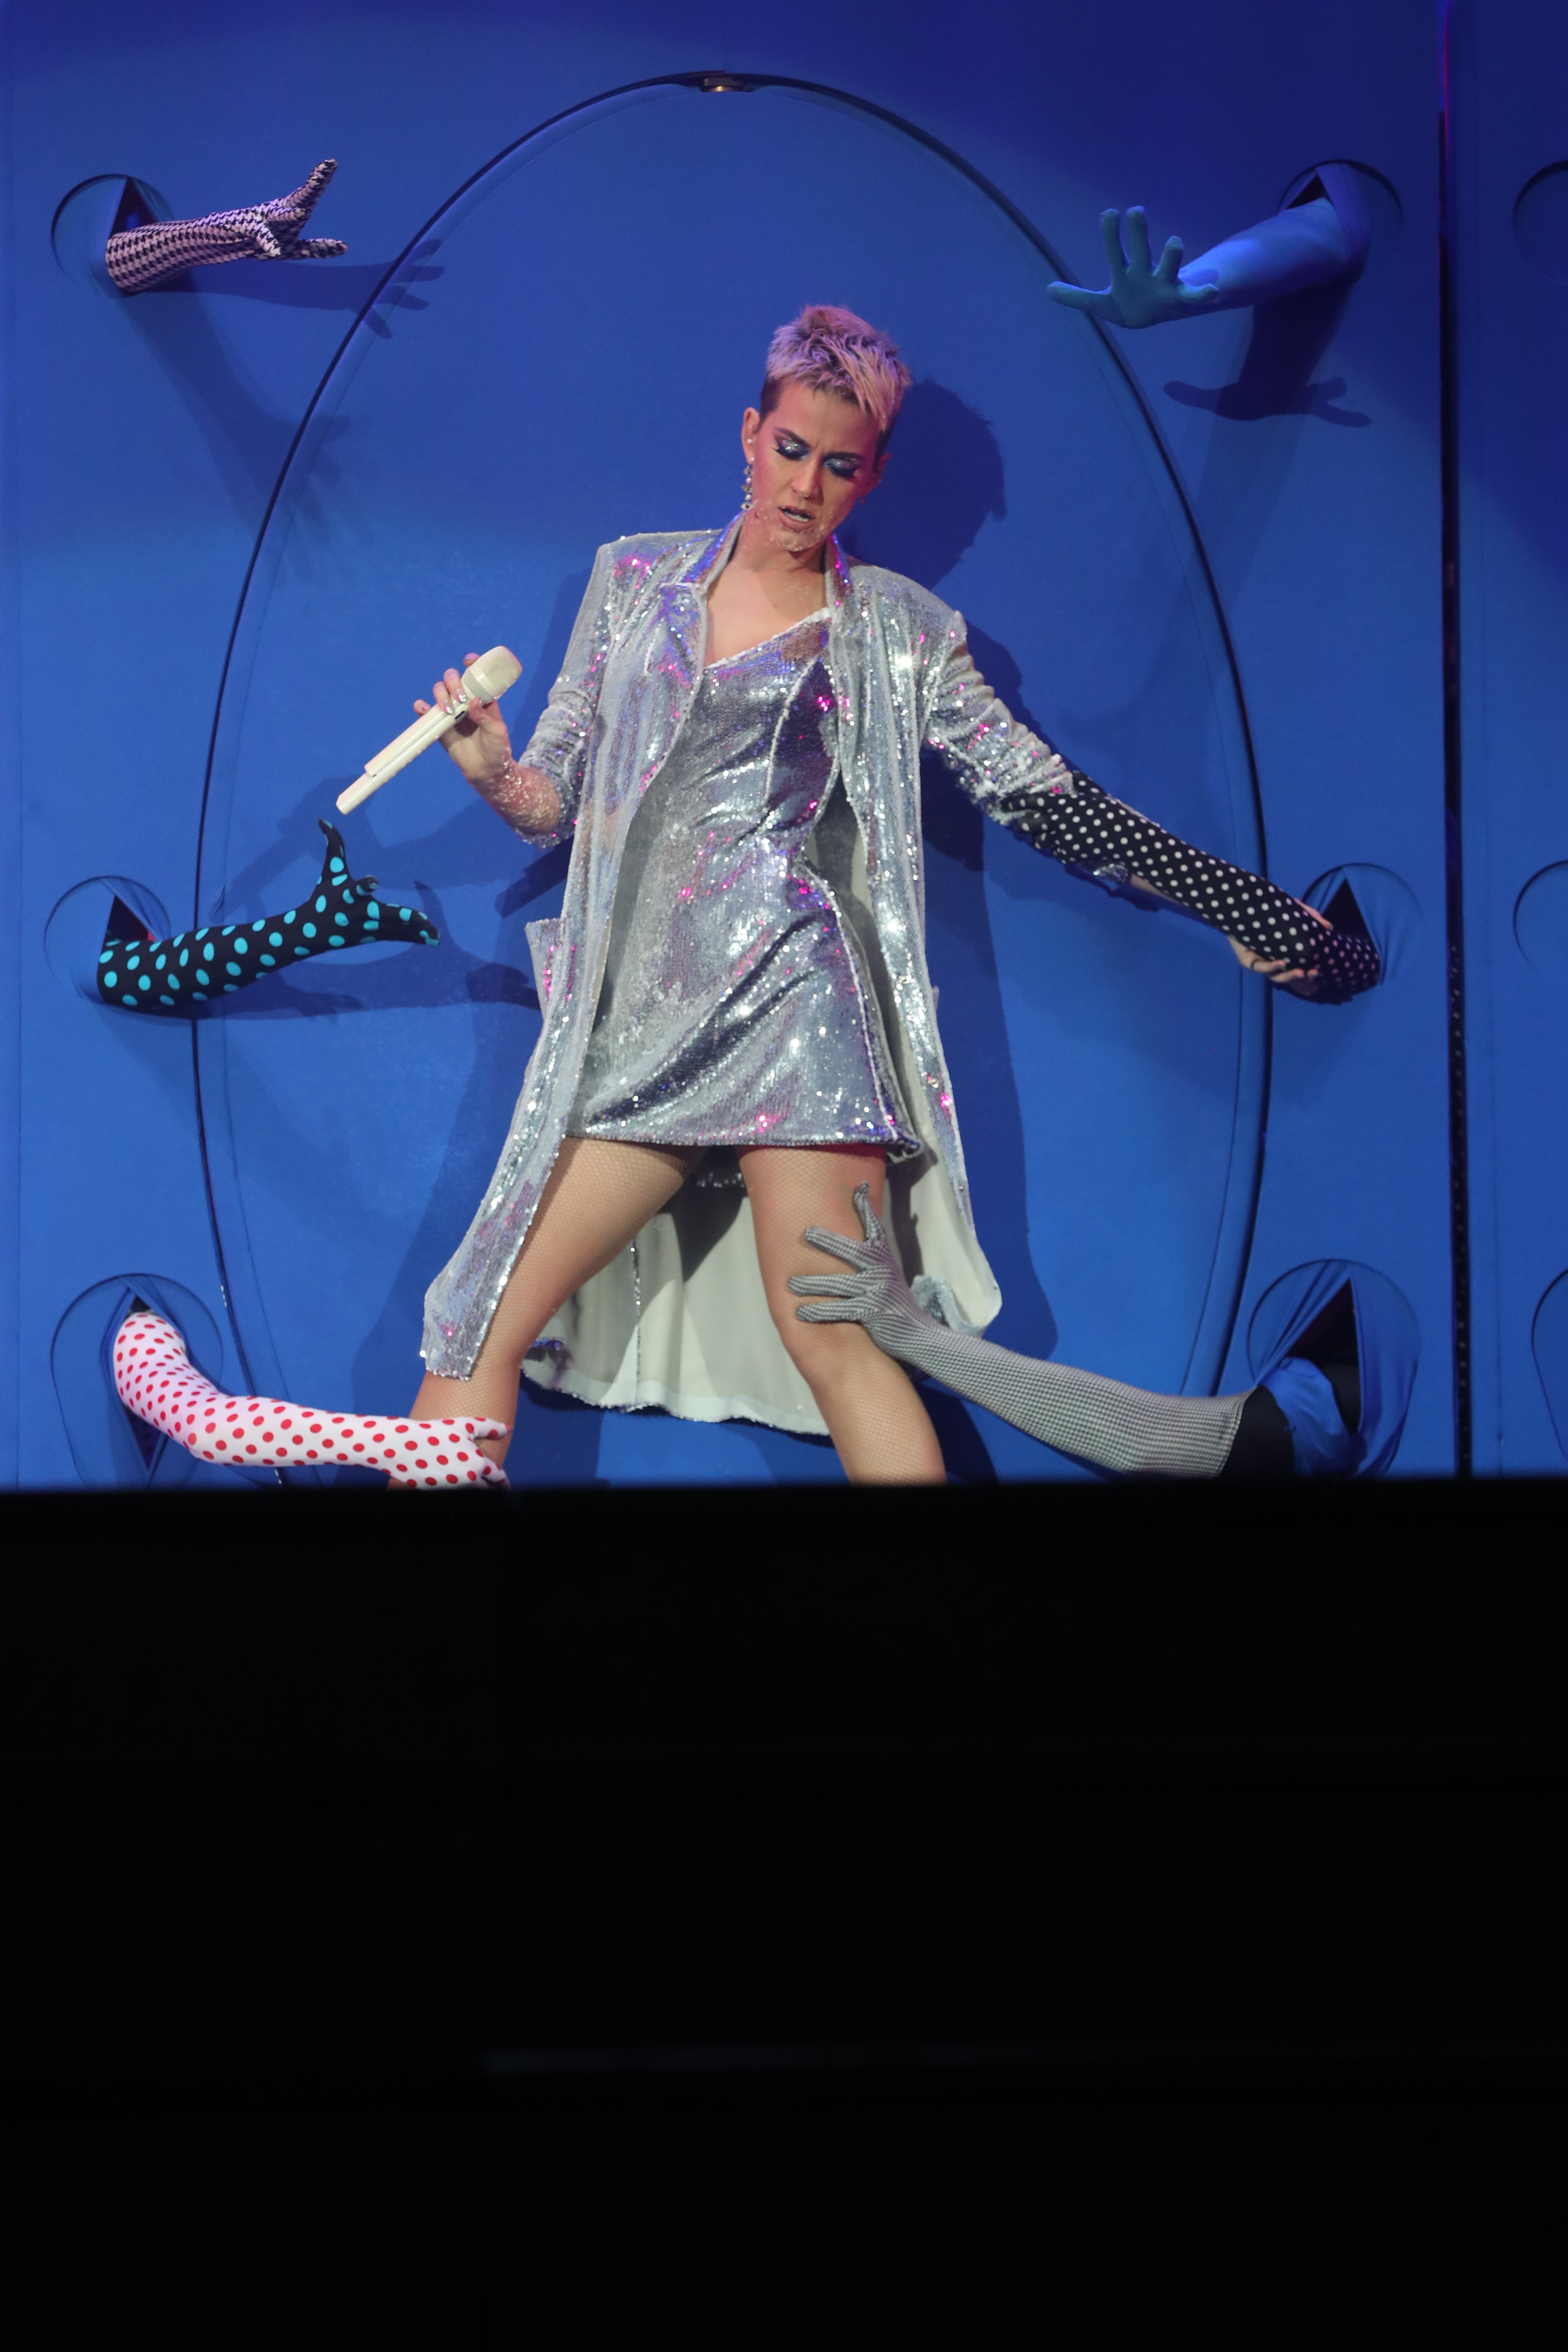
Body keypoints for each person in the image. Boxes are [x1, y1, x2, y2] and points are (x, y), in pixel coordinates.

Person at [390, 304, 1377, 1489]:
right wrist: (494, 770)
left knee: (840, 1337)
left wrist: (1253, 913)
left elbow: (1043, 799)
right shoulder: (634, 577)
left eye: (841, 466)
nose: (807, 486)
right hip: (638, 1024)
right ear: (750, 433)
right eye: (791, 449)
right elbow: (554, 805)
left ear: (873, 476)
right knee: (479, 1316)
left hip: (793, 1012)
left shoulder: (897, 628)